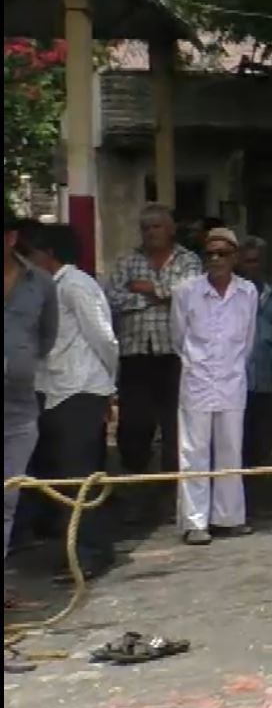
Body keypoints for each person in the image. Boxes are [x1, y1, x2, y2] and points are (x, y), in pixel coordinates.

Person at [26, 224, 118, 576]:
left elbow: (105, 340)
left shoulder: (77, 285)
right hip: (54, 391)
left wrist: (107, 387)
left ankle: (89, 552)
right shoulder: (47, 289)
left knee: (77, 475)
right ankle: (79, 548)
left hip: (80, 390)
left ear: (47, 253)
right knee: (63, 476)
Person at [106, 204, 203, 509]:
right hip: (135, 356)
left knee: (177, 426)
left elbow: (189, 296)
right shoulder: (127, 261)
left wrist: (150, 289)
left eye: (156, 227)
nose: (150, 233)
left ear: (171, 229)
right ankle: (137, 488)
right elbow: (113, 297)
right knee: (134, 426)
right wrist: (160, 296)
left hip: (175, 357)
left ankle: (173, 494)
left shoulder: (188, 260)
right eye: (145, 228)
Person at [170, 227, 259, 545]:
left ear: (235, 257)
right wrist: (199, 366)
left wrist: (230, 369)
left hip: (232, 381)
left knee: (230, 449)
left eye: (223, 253)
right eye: (210, 254)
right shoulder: (186, 291)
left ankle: (229, 518)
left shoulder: (248, 292)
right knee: (193, 451)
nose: (216, 259)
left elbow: (247, 342)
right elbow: (179, 339)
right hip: (197, 380)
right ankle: (195, 522)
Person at [5, 214, 58, 585]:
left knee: (7, 498)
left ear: (10, 238)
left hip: (18, 407)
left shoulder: (39, 283)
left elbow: (46, 338)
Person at [237, 236, 272, 505]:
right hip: (236, 384)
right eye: (247, 261)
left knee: (262, 443)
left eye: (257, 261)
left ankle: (255, 499)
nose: (252, 266)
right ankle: (238, 501)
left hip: (266, 382)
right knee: (237, 444)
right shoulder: (230, 295)